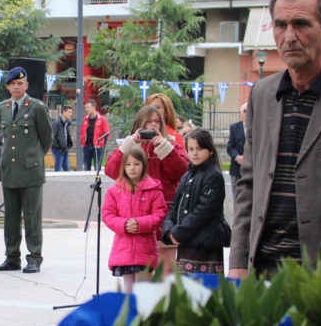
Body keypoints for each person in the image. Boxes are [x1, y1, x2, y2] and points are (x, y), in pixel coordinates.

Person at [229, 0, 321, 280]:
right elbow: (250, 183)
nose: (289, 36)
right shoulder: (262, 94)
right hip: (264, 272)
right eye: (280, 24)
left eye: (301, 24)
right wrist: (238, 262)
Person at [0, 66, 51, 273]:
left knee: (32, 217)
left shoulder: (36, 107)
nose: (16, 87)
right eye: (12, 84)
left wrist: (32, 157)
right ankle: (12, 257)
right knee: (10, 217)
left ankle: (34, 257)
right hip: (9, 170)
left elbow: (46, 139)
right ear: (8, 87)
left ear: (26, 85)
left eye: (20, 83)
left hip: (31, 171)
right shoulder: (2, 108)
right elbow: (7, 138)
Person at [101, 142, 166, 292]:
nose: (132, 168)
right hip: (124, 248)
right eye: (128, 164)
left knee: (144, 290)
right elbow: (108, 214)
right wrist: (123, 225)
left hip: (145, 249)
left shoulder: (154, 190)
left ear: (143, 165)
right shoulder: (115, 191)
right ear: (123, 166)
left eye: (136, 164)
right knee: (129, 290)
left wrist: (140, 224)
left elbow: (159, 214)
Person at [163, 128, 229, 275]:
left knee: (205, 291)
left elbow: (204, 211)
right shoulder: (187, 176)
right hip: (186, 242)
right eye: (191, 149)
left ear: (210, 150)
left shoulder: (214, 176)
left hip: (205, 244)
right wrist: (169, 230)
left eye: (199, 149)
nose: (194, 153)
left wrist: (179, 232)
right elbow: (175, 205)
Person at [103, 104, 188, 206]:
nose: (153, 125)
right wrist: (129, 144)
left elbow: (184, 174)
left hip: (164, 205)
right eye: (149, 121)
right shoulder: (130, 144)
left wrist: (165, 149)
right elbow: (111, 171)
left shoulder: (171, 145)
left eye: (157, 121)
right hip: (134, 206)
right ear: (140, 123)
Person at [79, 98, 110, 171]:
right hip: (87, 146)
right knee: (86, 165)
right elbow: (82, 131)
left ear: (93, 107)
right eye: (85, 107)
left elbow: (107, 133)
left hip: (97, 146)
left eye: (88, 107)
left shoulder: (102, 119)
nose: (86, 109)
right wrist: (82, 142)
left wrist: (100, 144)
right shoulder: (85, 119)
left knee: (97, 166)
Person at [226, 102, 247, 196]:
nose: (247, 113)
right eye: (245, 111)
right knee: (237, 196)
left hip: (252, 168)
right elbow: (230, 146)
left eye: (249, 110)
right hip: (237, 167)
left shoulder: (257, 127)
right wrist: (237, 157)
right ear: (241, 114)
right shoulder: (235, 127)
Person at [50, 105, 74, 171]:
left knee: (67, 168)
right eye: (69, 112)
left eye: (71, 112)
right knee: (58, 168)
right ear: (64, 112)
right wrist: (58, 147)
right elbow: (53, 136)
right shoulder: (56, 123)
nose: (71, 114)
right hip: (58, 149)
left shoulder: (66, 123)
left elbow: (66, 135)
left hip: (65, 148)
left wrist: (68, 145)